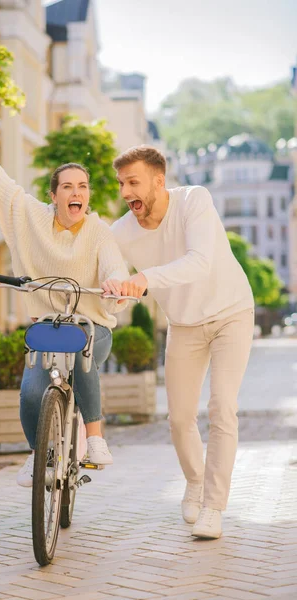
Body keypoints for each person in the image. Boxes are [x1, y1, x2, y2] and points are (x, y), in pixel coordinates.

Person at [0, 108, 129, 486]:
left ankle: (94, 440)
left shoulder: (99, 231)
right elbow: (1, 183)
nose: (75, 192)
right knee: (32, 390)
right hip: (47, 326)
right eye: (67, 186)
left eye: (82, 186)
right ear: (54, 194)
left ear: (89, 195)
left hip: (92, 326)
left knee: (83, 362)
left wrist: (116, 283)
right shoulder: (30, 217)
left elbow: (114, 266)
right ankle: (37, 455)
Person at [110, 145, 254, 539]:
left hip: (231, 313)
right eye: (121, 183)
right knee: (178, 418)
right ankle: (193, 480)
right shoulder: (121, 232)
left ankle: (213, 506)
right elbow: (114, 280)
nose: (126, 192)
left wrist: (143, 279)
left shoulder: (195, 200)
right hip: (184, 325)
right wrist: (120, 294)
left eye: (133, 182)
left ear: (159, 180)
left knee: (223, 406)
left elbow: (199, 261)